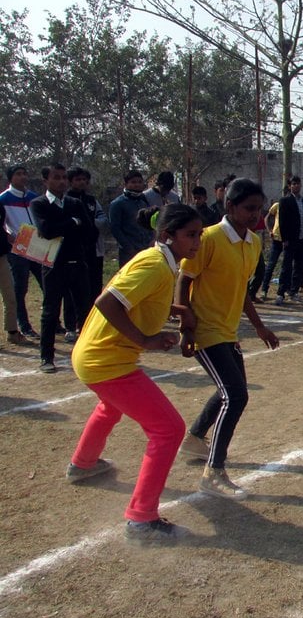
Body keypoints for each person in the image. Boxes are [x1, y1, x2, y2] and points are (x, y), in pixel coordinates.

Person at [67, 203, 203, 544]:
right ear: (167, 235)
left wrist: (178, 311)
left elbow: (139, 298)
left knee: (110, 407)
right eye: (190, 235)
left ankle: (83, 464)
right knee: (169, 429)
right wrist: (146, 339)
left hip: (97, 357)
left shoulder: (160, 262)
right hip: (105, 361)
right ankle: (141, 519)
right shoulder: (156, 265)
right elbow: (107, 302)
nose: (197, 243)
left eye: (199, 234)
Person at [176, 178, 280, 500]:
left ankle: (193, 439)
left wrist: (260, 327)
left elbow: (242, 290)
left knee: (232, 390)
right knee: (235, 395)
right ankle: (214, 472)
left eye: (259, 209)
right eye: (249, 208)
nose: (255, 214)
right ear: (230, 206)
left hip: (227, 329)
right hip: (205, 329)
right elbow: (183, 279)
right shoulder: (207, 239)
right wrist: (186, 326)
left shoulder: (253, 244)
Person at [30, 164, 97, 373]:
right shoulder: (39, 204)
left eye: (63, 178)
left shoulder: (74, 202)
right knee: (50, 311)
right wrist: (72, 223)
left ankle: (88, 354)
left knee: (85, 310)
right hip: (54, 264)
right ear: (45, 181)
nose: (61, 181)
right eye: (56, 177)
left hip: (77, 262)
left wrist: (70, 226)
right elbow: (47, 231)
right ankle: (46, 357)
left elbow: (89, 231)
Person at [0, 164, 42, 338]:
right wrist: (8, 235)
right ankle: (24, 325)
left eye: (25, 174)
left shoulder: (33, 197)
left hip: (38, 247)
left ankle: (55, 323)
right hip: (17, 249)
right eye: (18, 174)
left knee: (48, 285)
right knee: (20, 288)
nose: (23, 177)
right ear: (11, 178)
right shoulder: (3, 198)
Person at [67, 166, 108, 313]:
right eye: (78, 179)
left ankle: (94, 314)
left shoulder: (91, 200)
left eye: (84, 179)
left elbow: (102, 219)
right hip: (74, 250)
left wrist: (91, 223)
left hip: (94, 249)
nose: (82, 182)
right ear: (70, 181)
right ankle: (77, 320)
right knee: (75, 288)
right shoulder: (66, 200)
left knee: (94, 283)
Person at [276, 175, 303, 303]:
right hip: (290, 240)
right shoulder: (285, 201)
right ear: (290, 186)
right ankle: (281, 293)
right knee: (286, 266)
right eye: (294, 184)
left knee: (300, 266)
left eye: (298, 183)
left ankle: (294, 291)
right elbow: (282, 221)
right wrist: (284, 239)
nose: (296, 186)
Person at [110, 170, 153, 267]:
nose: (137, 185)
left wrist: (152, 239)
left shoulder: (143, 201)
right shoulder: (117, 203)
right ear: (126, 184)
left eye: (139, 182)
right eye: (133, 182)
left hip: (146, 249)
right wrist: (128, 247)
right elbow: (115, 228)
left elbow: (150, 223)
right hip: (129, 251)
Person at [0, 200, 24, 346]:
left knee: (10, 296)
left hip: (2, 257)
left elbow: (2, 227)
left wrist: (11, 238)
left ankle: (12, 332)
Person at [260, 198, 282, 300]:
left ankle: (283, 291)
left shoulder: (294, 205)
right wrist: (269, 231)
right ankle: (264, 289)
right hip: (277, 239)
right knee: (271, 265)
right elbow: (266, 218)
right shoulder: (277, 205)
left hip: (288, 240)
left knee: (287, 267)